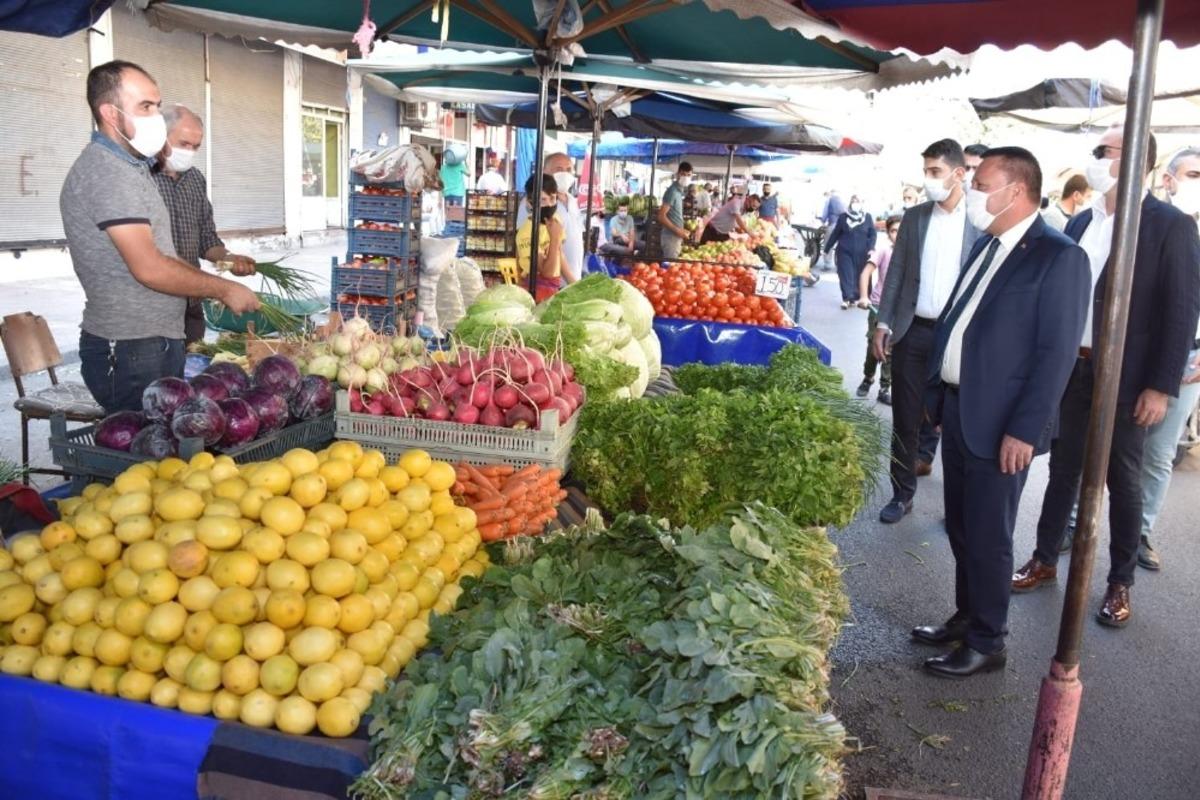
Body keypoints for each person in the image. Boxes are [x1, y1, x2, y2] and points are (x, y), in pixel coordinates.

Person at [1011, 127, 1200, 627]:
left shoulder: (1170, 226)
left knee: (1123, 477)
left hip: (1129, 375)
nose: (1095, 160)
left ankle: (1120, 581)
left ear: (1140, 160)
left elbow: (1180, 312)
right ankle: (1045, 558)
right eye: (1095, 151)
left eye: (1106, 152)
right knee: (1064, 468)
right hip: (1071, 366)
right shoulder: (1081, 222)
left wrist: (1160, 386)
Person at [915, 146, 1091, 678]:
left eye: (982, 183)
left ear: (1016, 191)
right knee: (964, 528)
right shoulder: (989, 244)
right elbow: (960, 319)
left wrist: (1025, 428)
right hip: (963, 408)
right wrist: (938, 393)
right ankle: (968, 617)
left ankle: (989, 641)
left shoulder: (1058, 256)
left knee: (990, 536)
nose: (971, 191)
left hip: (1003, 425)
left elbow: (1055, 355)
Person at [61, 61, 258, 415]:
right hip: (131, 348)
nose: (155, 116)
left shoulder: (129, 170)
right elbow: (149, 267)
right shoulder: (109, 175)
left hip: (150, 342)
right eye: (146, 107)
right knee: (143, 457)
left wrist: (218, 272)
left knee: (160, 458)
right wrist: (224, 289)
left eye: (157, 104)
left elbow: (165, 252)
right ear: (110, 112)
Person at [873, 139, 982, 523]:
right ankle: (902, 494)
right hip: (913, 331)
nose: (928, 180)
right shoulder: (917, 217)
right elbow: (897, 274)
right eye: (926, 172)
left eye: (935, 172)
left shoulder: (980, 220)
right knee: (904, 416)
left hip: (958, 338)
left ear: (958, 173)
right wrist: (883, 323)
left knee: (957, 421)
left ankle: (959, 507)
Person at [1136, 146, 1200, 570]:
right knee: (1094, 448)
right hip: (1136, 354)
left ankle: (1139, 531)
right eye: (1193, 174)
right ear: (1169, 180)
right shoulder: (1151, 223)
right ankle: (1071, 522)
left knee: (1159, 455)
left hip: (1188, 364)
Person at [153, 105, 255, 345]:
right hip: (155, 306)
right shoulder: (141, 177)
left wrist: (229, 259)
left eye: (195, 147)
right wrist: (223, 289)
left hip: (191, 303)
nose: (189, 152)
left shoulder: (195, 179)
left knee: (190, 371)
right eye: (183, 144)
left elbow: (206, 241)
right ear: (161, 137)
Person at [516, 153, 584, 284]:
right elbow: (525, 251)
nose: (565, 174)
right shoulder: (532, 205)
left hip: (568, 282)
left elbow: (559, 251)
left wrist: (574, 282)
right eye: (559, 169)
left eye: (569, 170)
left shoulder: (572, 201)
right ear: (544, 171)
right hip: (542, 285)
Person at [856, 216, 901, 404]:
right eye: (893, 230)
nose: (897, 234)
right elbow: (866, 272)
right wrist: (864, 297)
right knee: (873, 345)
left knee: (891, 349)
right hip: (879, 306)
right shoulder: (883, 251)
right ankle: (868, 377)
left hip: (901, 311)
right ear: (888, 233)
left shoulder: (914, 254)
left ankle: (885, 387)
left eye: (901, 230)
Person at [516, 173, 575, 302]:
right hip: (534, 293)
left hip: (552, 289)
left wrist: (575, 284)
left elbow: (559, 255)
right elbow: (546, 273)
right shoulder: (526, 233)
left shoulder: (555, 221)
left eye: (552, 198)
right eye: (542, 200)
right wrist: (554, 238)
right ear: (530, 203)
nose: (549, 205)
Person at [824, 195, 876, 309]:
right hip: (844, 251)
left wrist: (872, 248)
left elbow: (872, 234)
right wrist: (827, 248)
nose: (855, 203)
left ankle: (856, 297)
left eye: (858, 201)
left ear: (862, 203)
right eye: (853, 201)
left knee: (858, 275)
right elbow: (835, 234)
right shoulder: (843, 217)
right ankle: (847, 298)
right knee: (846, 274)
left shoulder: (867, 217)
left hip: (862, 253)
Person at [657, 162, 696, 259]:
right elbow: (661, 216)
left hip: (675, 236)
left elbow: (673, 214)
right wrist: (677, 230)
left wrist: (681, 230)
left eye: (689, 175)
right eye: (683, 174)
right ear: (678, 174)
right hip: (670, 237)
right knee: (669, 267)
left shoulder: (679, 192)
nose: (686, 177)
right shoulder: (672, 191)